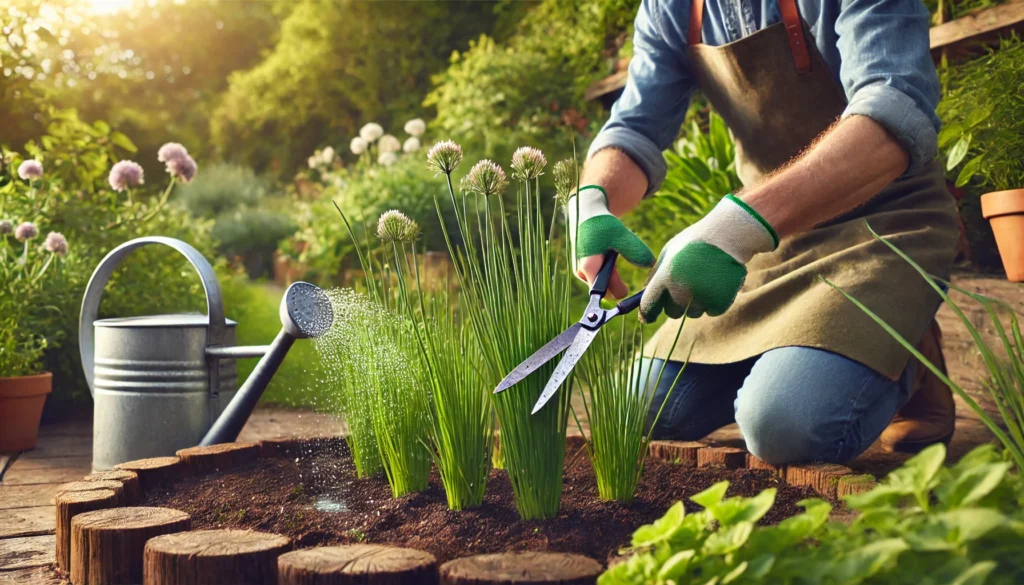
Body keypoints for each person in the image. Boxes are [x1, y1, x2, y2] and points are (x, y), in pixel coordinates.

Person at [569, 0, 959, 465]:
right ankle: (813, 357)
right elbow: (634, 130)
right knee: (627, 415)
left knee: (783, 428)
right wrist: (591, 199)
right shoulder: (669, 8)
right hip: (770, 243)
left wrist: (737, 225)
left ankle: (908, 351)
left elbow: (894, 112)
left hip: (886, 225)